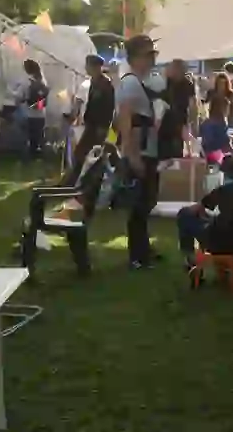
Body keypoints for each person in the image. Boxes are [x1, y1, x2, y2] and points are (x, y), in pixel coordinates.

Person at [116, 34, 162, 270]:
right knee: (140, 204)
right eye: (147, 55)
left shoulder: (143, 82)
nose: (152, 60)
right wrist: (132, 156)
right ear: (134, 58)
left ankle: (144, 249)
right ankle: (137, 256)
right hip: (139, 151)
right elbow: (125, 120)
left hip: (148, 149)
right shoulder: (130, 82)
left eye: (153, 54)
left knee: (147, 201)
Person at [176, 155, 233, 272]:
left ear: (225, 173)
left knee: (184, 214)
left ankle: (190, 259)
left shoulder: (223, 190)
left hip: (219, 241)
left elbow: (197, 209)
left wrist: (203, 214)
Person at [63, 55, 114, 185]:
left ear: (95, 67)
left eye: (88, 65)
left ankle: (84, 183)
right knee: (82, 154)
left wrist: (103, 128)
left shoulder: (105, 85)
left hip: (98, 126)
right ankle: (74, 181)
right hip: (91, 124)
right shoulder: (94, 82)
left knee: (91, 156)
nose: (86, 68)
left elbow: (108, 108)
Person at [158, 59, 196, 160]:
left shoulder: (184, 84)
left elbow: (192, 106)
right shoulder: (167, 82)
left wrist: (191, 123)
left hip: (177, 123)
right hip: (165, 122)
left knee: (174, 153)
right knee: (167, 152)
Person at [22, 59, 49, 157]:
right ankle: (40, 153)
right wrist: (38, 106)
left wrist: (31, 105)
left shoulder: (29, 81)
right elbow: (45, 98)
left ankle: (32, 154)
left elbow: (23, 96)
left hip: (30, 113)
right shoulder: (42, 80)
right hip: (41, 113)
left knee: (31, 136)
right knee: (39, 135)